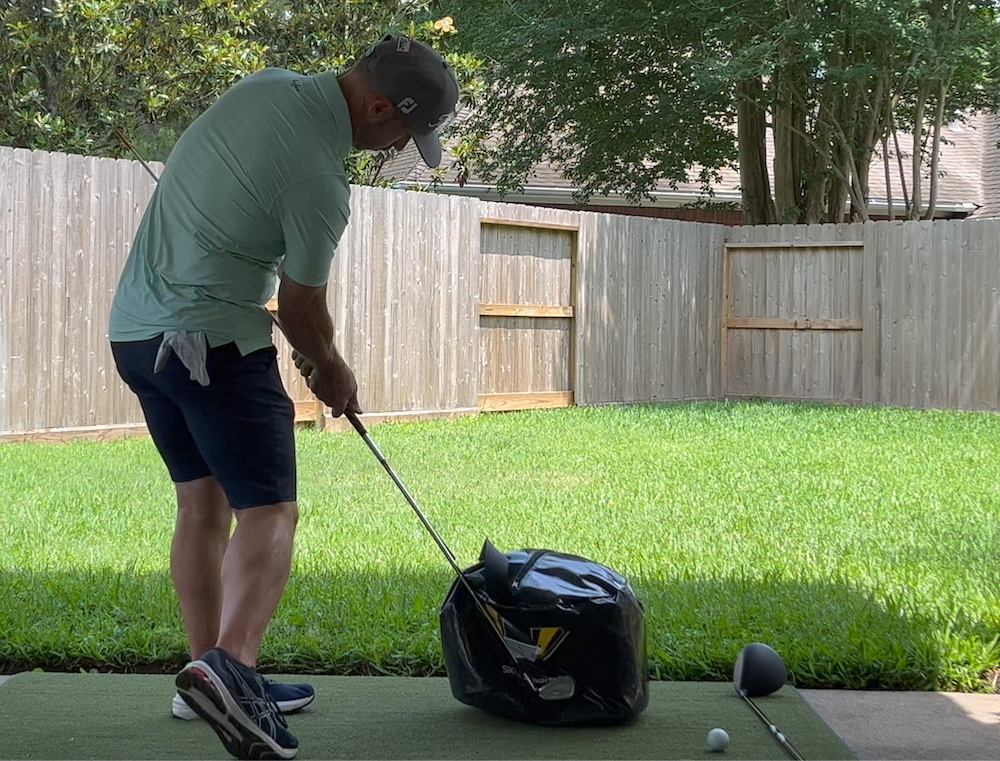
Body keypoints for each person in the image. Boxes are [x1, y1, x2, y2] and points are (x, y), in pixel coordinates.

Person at [108, 36, 459, 760]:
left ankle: (202, 677)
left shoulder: (266, 86)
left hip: (136, 338)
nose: (394, 144)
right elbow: (301, 307)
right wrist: (332, 368)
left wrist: (314, 353)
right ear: (378, 105)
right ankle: (231, 669)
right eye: (401, 130)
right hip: (213, 344)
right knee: (270, 511)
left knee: (199, 507)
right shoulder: (321, 183)